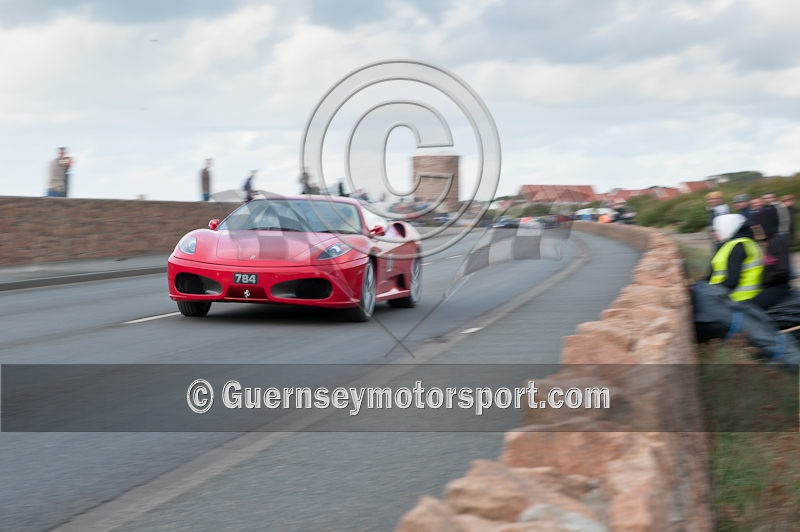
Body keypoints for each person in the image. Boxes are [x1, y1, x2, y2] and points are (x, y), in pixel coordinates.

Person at [708, 214, 763, 303]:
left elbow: (732, 281)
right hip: (738, 298)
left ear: (727, 227)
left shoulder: (738, 247)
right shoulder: (744, 243)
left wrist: (708, 292)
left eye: (716, 230)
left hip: (738, 300)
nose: (713, 234)